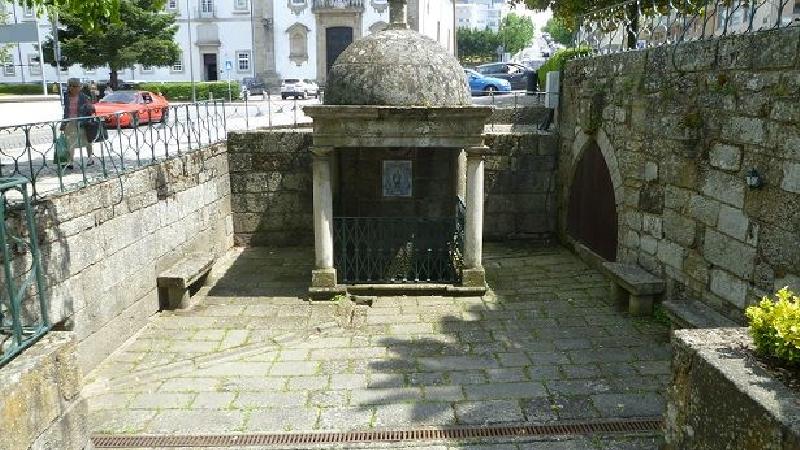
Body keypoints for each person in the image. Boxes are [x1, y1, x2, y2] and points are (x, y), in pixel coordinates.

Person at [60, 78, 96, 169]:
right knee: (69, 142)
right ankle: (70, 162)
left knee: (87, 141)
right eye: (71, 86)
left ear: (79, 87)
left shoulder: (84, 97)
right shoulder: (66, 96)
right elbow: (66, 110)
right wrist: (63, 123)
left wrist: (89, 107)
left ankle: (90, 159)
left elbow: (91, 109)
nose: (73, 89)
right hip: (70, 122)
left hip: (82, 122)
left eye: (76, 86)